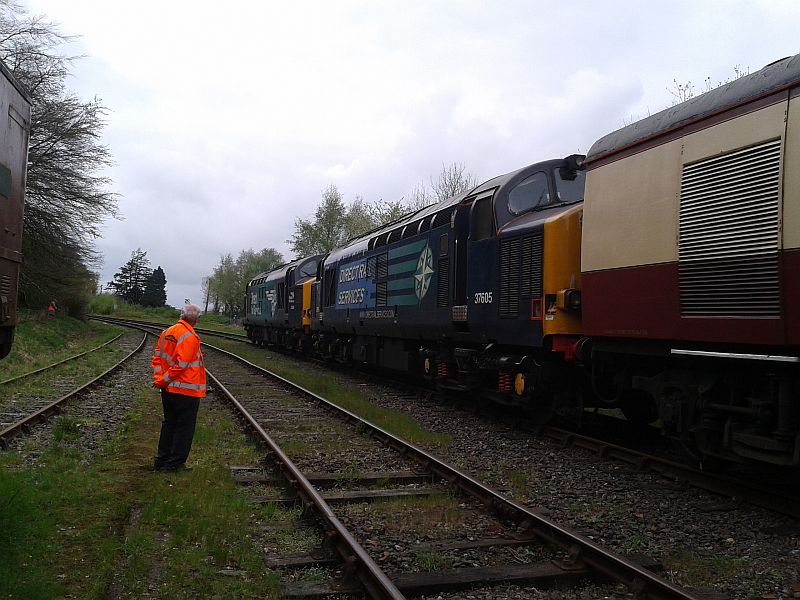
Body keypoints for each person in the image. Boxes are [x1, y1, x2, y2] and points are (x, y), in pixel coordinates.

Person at [150, 304, 206, 472]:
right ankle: (174, 464)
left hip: (168, 390)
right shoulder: (190, 337)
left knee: (169, 424)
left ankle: (161, 460)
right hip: (186, 390)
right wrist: (165, 380)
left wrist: (160, 379)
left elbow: (157, 358)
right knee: (184, 428)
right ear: (196, 319)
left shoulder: (167, 332)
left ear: (182, 316)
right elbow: (181, 365)